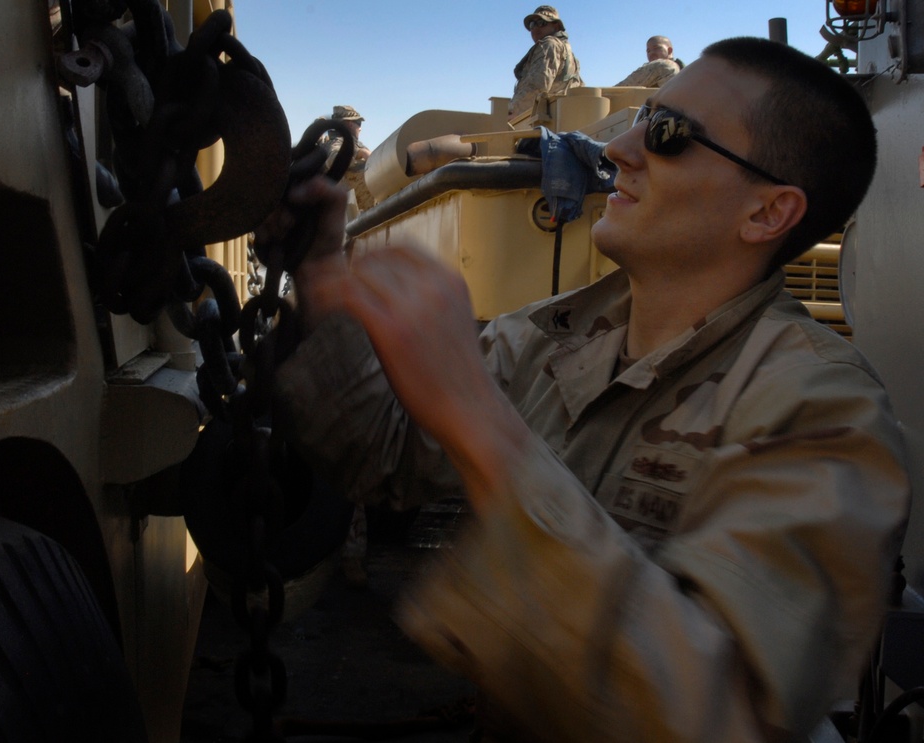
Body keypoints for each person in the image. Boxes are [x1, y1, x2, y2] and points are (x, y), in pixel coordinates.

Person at [268, 37, 910, 741]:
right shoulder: (549, 337)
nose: (620, 149)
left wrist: (479, 420)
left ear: (766, 213)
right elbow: (381, 456)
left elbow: (721, 717)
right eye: (644, 119)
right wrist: (321, 269)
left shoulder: (823, 418)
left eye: (667, 135)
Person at [509, 6, 583, 117]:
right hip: (559, 119)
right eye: (532, 25)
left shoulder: (549, 45)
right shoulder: (566, 50)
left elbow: (536, 87)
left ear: (556, 26)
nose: (535, 28)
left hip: (547, 121)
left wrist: (509, 114)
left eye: (542, 23)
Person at [320, 104, 373, 212]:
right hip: (351, 212)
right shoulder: (336, 142)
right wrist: (359, 153)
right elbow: (334, 160)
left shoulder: (352, 143)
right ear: (350, 124)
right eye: (358, 123)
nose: (360, 128)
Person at [616, 35, 683, 87]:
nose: (651, 53)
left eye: (656, 48)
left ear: (669, 51)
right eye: (648, 51)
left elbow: (617, 91)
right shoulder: (684, 72)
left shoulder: (665, 66)